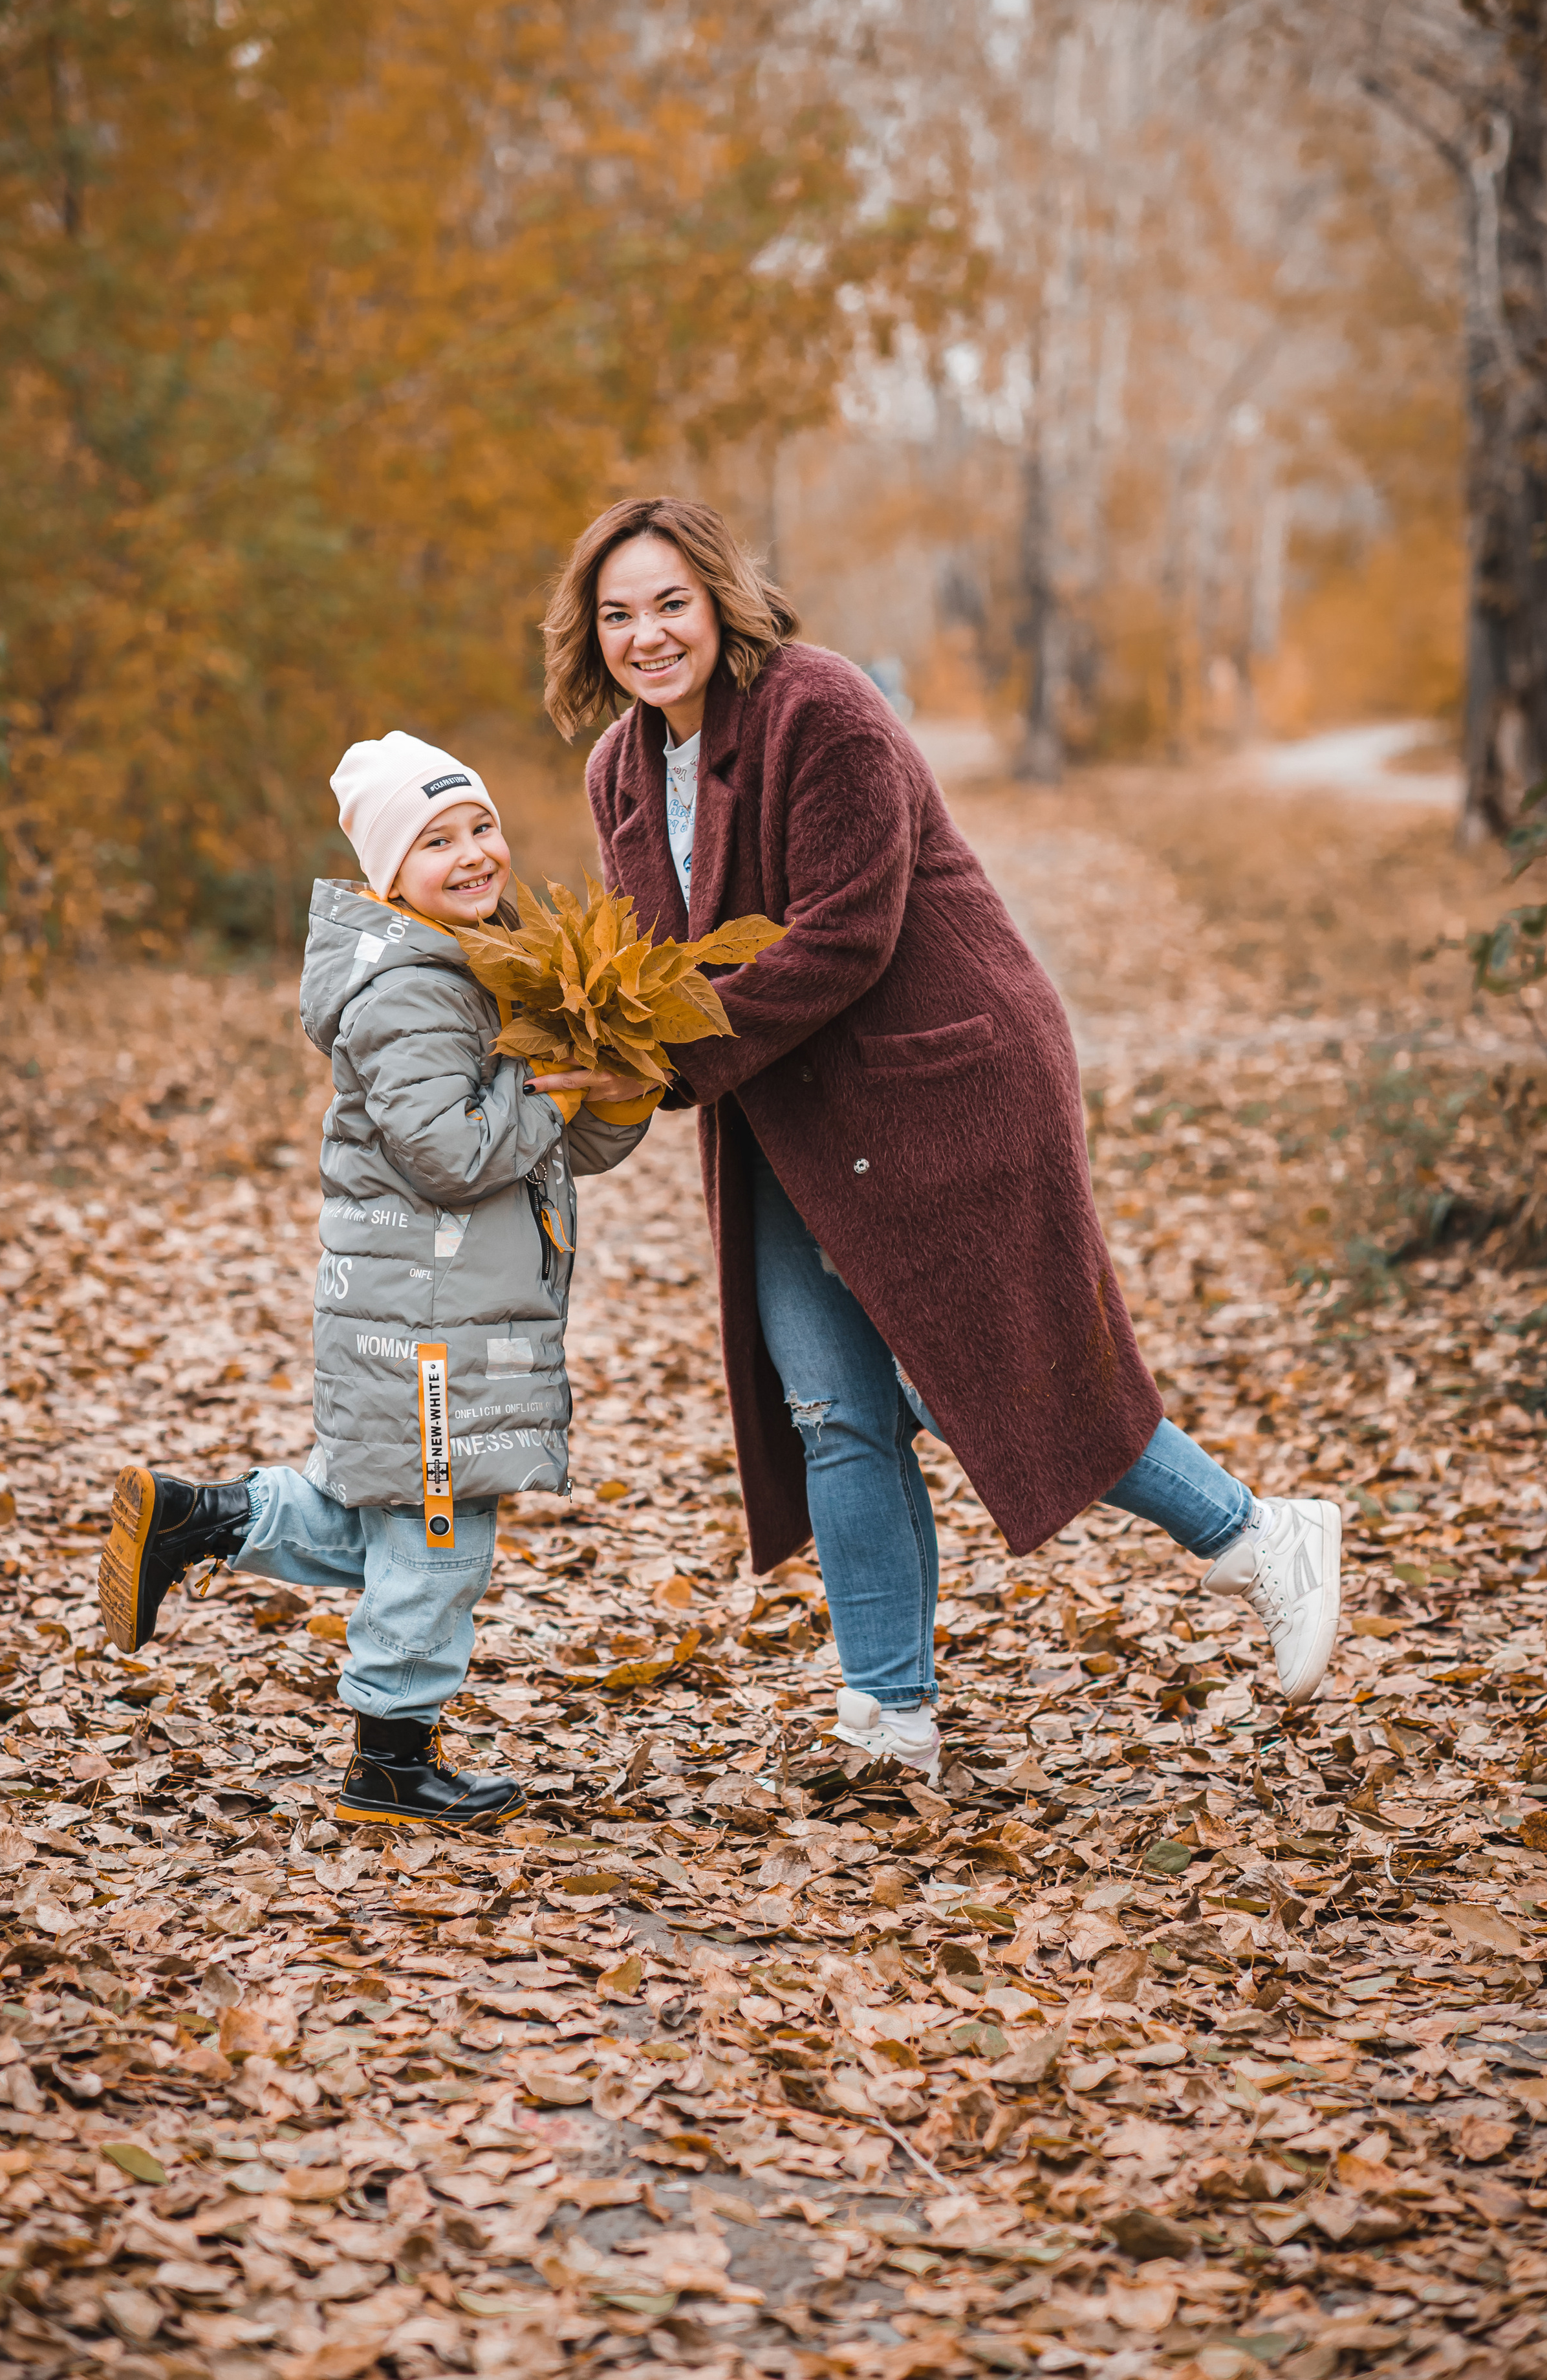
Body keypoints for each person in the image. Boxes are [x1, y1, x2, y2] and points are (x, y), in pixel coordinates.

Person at [536, 497, 1343, 1784]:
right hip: (788, 1113)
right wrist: (587, 1047)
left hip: (944, 1077)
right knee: (831, 1409)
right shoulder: (618, 773)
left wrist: (667, 1059)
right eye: (616, 614)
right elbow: (653, 967)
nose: (646, 635)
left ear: (719, 600)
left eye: (668, 603)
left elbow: (843, 934)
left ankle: (1262, 1537)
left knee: (1002, 1362)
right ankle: (886, 1723)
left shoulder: (821, 708)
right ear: (587, 633)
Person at [96, 731, 656, 1829]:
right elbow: (451, 1153)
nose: (472, 853)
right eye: (436, 839)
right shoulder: (410, 991)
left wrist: (610, 1093)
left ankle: (200, 1518)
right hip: (426, 1327)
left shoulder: (484, 965)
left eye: (481, 826)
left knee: (391, 1524)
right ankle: (389, 1761)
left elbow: (545, 1141)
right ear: (388, 874)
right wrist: (548, 1094)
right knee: (440, 1537)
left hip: (445, 1311)